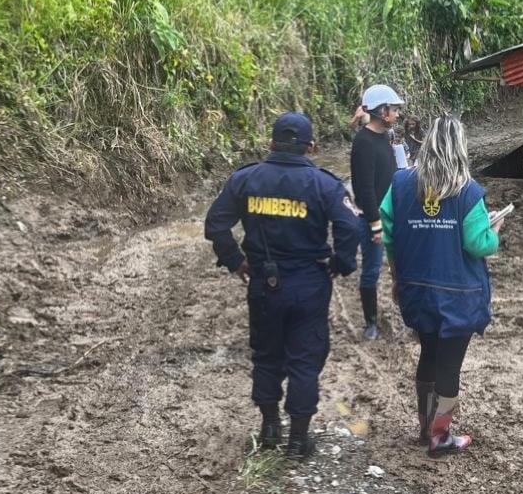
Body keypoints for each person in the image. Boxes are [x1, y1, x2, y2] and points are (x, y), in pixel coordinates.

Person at [204, 112, 360, 460]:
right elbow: (350, 228)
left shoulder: (246, 179)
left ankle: (270, 427)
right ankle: (298, 440)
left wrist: (236, 261)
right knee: (305, 359)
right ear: (311, 146)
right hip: (309, 284)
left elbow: (216, 223)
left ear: (271, 143)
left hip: (263, 282)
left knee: (266, 354)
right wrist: (341, 264)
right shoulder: (325, 184)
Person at [380, 116, 500, 456]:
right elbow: (478, 244)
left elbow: (390, 235)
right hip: (458, 294)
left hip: (416, 288)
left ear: (428, 142)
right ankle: (441, 437)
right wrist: (494, 232)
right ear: (459, 148)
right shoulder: (468, 191)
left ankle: (424, 428)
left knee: (428, 353)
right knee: (450, 364)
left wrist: (396, 278)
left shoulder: (401, 185)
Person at [350, 84, 404, 340]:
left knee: (400, 267)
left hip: (392, 214)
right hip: (373, 217)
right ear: (383, 111)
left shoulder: (385, 137)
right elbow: (364, 188)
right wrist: (374, 223)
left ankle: (407, 314)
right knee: (371, 270)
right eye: (393, 109)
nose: (396, 113)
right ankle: (370, 322)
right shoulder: (363, 142)